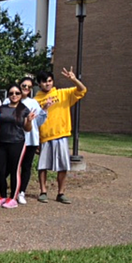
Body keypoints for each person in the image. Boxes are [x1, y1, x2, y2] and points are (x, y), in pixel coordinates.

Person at [33, 68, 87, 204]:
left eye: (50, 81)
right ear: (39, 83)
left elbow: (82, 90)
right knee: (43, 166)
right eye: (44, 82)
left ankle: (61, 193)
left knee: (63, 166)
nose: (47, 84)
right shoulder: (36, 100)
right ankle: (43, 191)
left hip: (62, 135)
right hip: (45, 137)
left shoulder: (62, 94)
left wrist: (73, 79)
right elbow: (34, 121)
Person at [0, 77, 49, 204]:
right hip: (11, 140)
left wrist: (44, 110)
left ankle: (21, 192)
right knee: (7, 168)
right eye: (24, 86)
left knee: (25, 167)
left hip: (30, 139)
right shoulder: (7, 101)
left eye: (29, 87)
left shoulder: (33, 103)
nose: (26, 88)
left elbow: (38, 122)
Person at [0, 84, 36, 209]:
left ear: (20, 95)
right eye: (11, 93)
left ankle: (13, 198)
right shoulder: (2, 108)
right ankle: (3, 196)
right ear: (8, 95)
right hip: (2, 143)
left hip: (17, 142)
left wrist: (30, 121)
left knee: (14, 170)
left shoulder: (24, 109)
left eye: (17, 93)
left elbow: (27, 129)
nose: (14, 95)